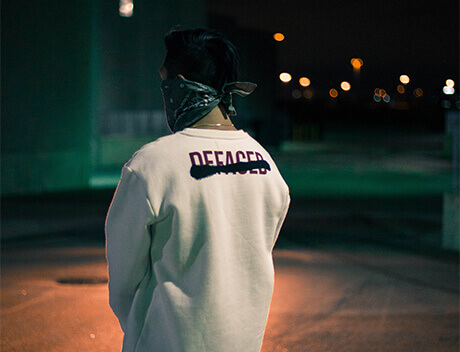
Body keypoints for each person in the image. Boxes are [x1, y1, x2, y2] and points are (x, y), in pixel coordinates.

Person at [105, 27, 290, 352]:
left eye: (164, 81)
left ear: (178, 84)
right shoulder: (266, 164)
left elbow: (123, 281)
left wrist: (143, 330)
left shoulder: (151, 166)